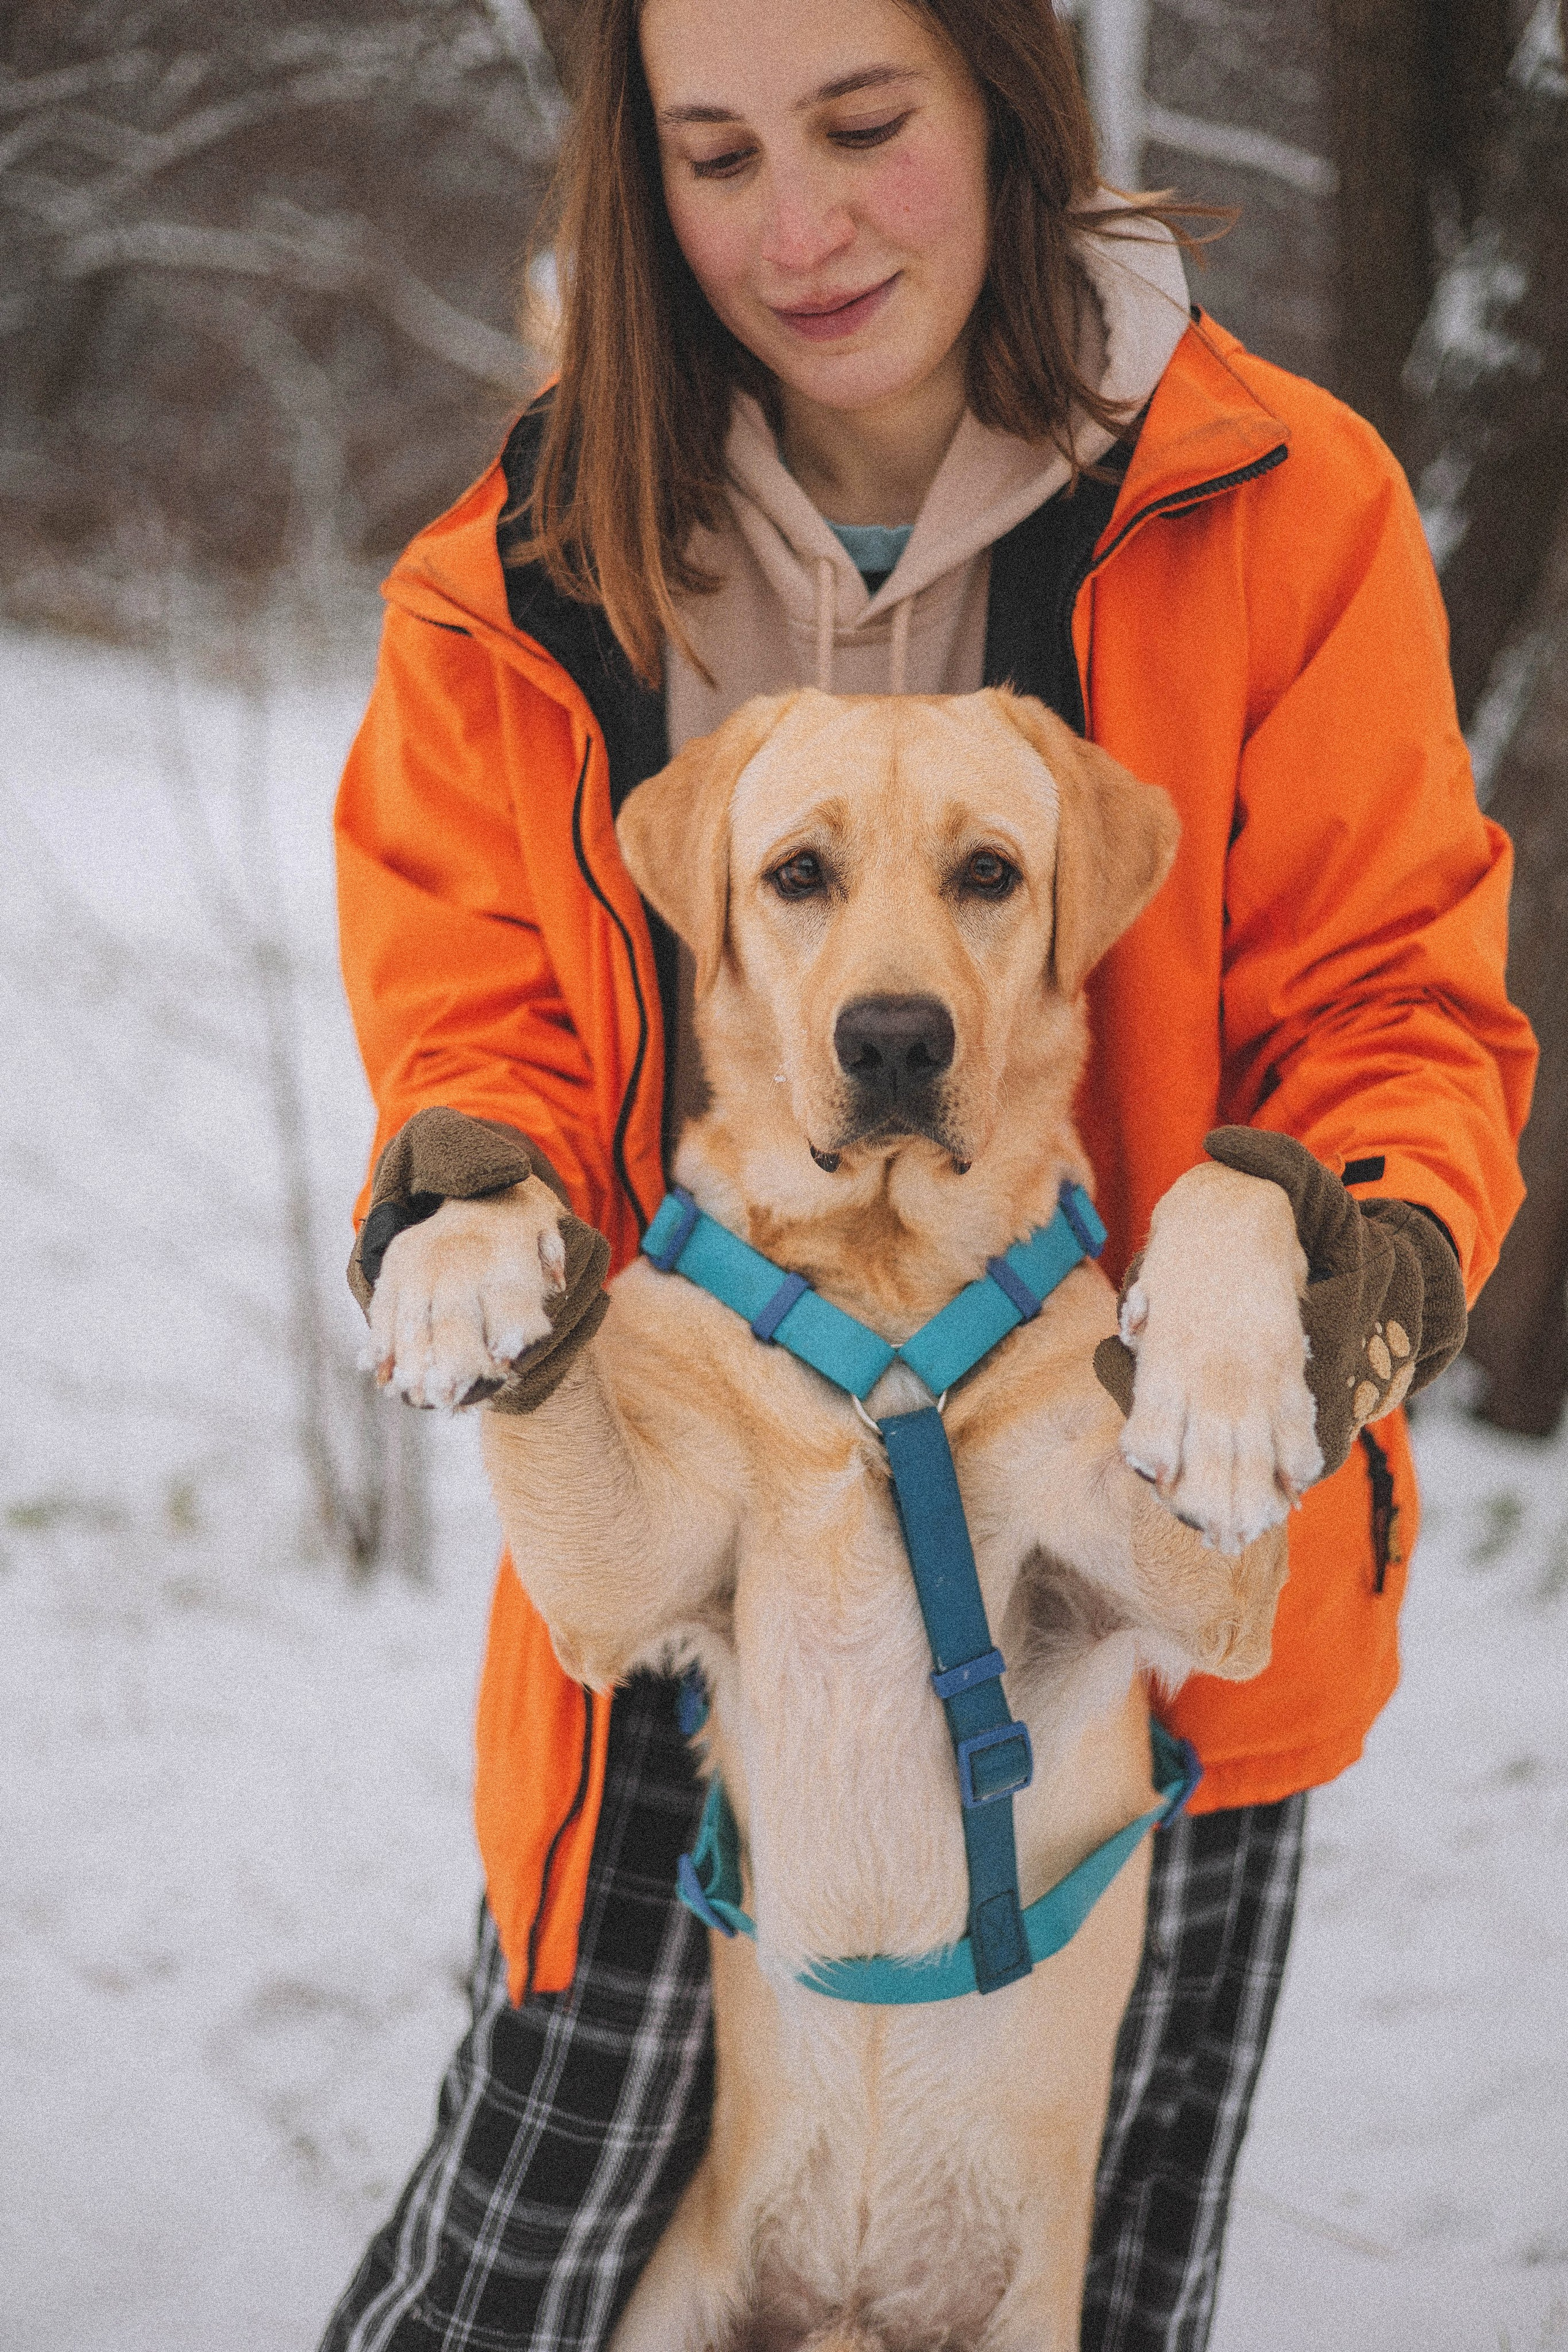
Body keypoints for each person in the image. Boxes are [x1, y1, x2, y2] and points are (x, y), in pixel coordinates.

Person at [320, 0, 1536, 2345]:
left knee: (1076, 2299)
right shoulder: (519, 572)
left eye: (866, 125)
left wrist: (1335, 1242)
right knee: (524, 2290)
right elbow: (469, 1007)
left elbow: (1402, 998)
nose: (803, 228)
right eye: (717, 153)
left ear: (1010, 97)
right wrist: (465, 1184)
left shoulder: (1288, 504)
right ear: (635, 174)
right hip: (699, 1605)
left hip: (1129, 1575)